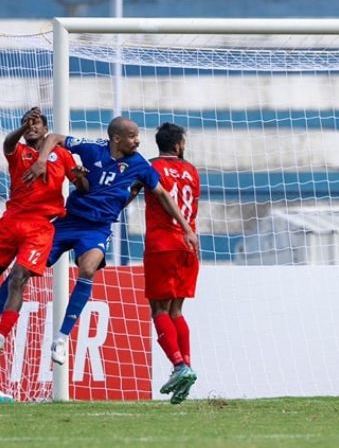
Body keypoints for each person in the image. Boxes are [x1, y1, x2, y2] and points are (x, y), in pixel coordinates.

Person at [21, 116, 199, 367]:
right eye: (133, 136)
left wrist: (186, 228)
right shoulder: (92, 148)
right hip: (69, 221)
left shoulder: (141, 165)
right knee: (23, 270)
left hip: (98, 229)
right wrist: (41, 160)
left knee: (88, 269)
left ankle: (61, 338)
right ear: (117, 138)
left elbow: (163, 194)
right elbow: (54, 138)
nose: (138, 141)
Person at [0, 108, 84, 402]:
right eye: (28, 122)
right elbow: (7, 144)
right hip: (11, 221)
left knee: (18, 279)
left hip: (40, 227)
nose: (32, 126)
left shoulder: (60, 155)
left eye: (37, 122)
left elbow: (81, 186)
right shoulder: (17, 149)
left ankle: (1, 337)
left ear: (47, 129)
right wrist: (22, 128)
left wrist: (83, 177)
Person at [130, 123, 201, 404]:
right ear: (179, 144)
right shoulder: (192, 171)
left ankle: (179, 365)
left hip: (163, 245)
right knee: (177, 310)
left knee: (159, 308)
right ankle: (185, 367)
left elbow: (132, 193)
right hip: (188, 245)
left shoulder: (151, 167)